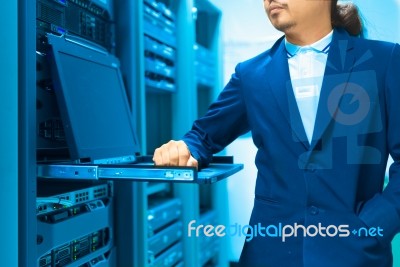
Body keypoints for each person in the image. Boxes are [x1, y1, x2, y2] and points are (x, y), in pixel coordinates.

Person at [153, 0, 400, 266]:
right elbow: (202, 136)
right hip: (270, 252)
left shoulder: (384, 61)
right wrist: (183, 148)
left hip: (355, 254)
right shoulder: (250, 75)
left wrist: (374, 226)